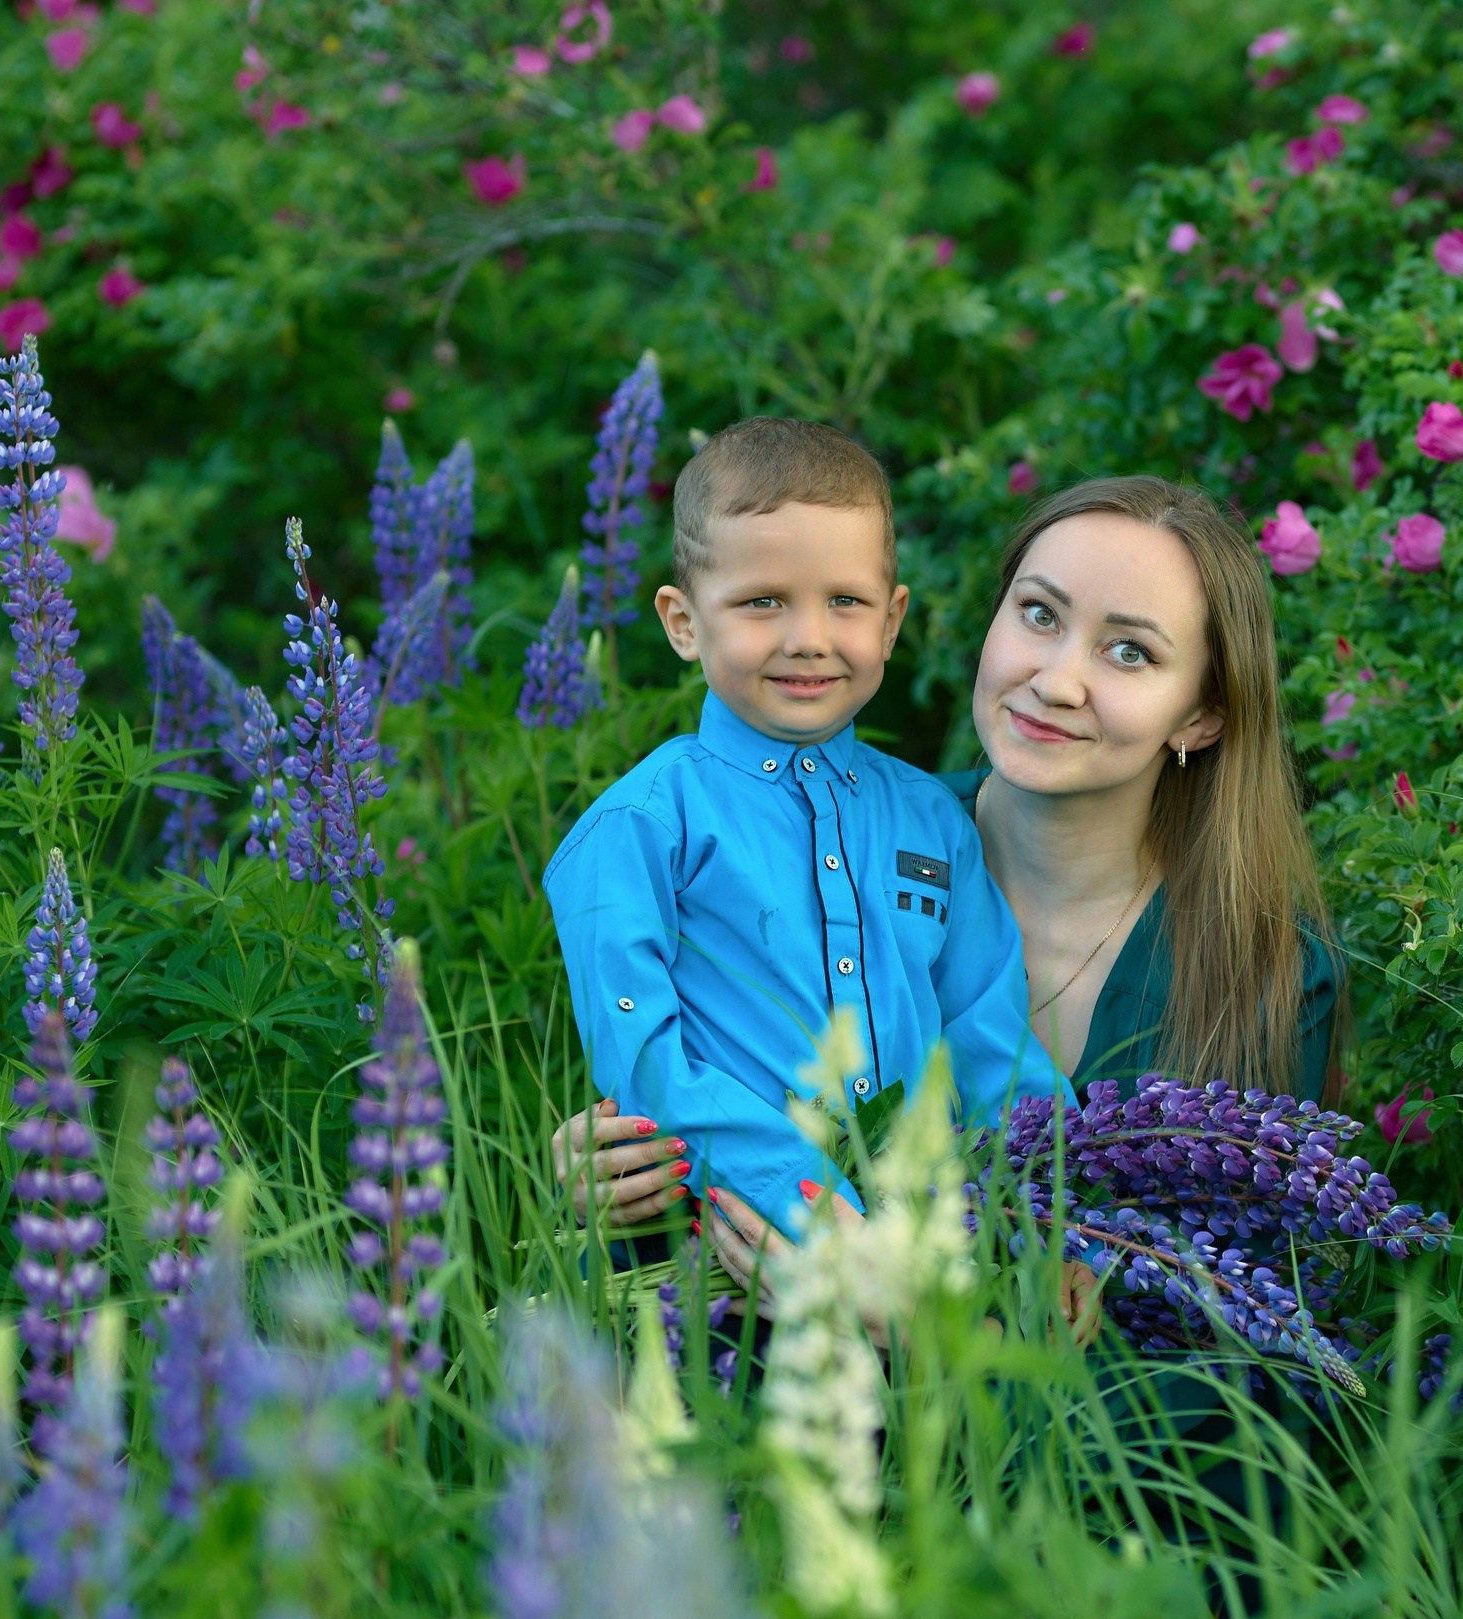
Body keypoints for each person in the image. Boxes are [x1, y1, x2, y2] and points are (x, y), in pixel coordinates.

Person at [562, 474, 1341, 1307]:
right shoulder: (809, 831)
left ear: (1200, 716)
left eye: (1130, 652)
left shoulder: (1270, 968)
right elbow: (670, 1063)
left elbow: (1224, 1335)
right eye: (1039, 613)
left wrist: (941, 1309)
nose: (1057, 680)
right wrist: (612, 1168)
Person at [541, 417, 1064, 1246]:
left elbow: (992, 1046)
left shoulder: (933, 820)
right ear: (683, 622)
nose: (809, 639)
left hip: (935, 1249)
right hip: (720, 1251)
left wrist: (1059, 1229)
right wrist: (819, 1211)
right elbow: (650, 1067)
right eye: (763, 601)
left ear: (890, 620)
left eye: (845, 601)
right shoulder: (637, 829)